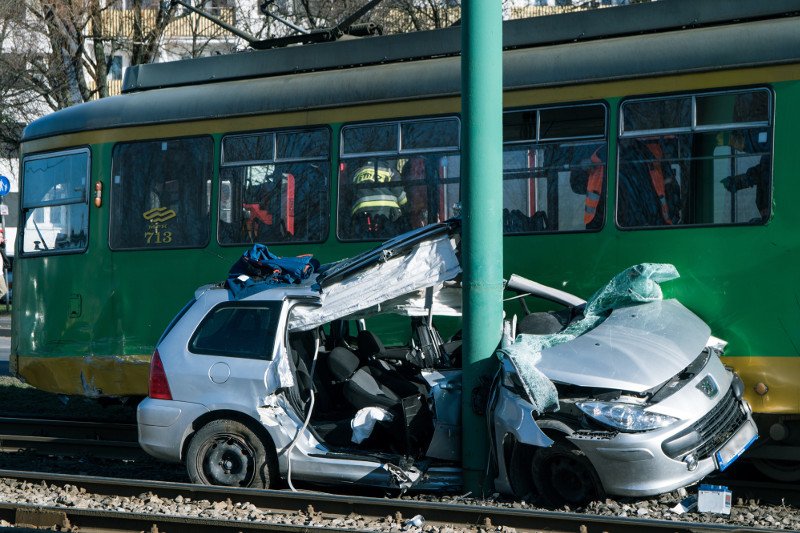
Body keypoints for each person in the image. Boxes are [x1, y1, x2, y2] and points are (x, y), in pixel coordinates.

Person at [617, 138, 681, 227]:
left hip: (660, 223)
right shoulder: (617, 163)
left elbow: (672, 187)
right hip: (639, 226)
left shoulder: (654, 152)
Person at [350, 160, 408, 237]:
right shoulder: (391, 171)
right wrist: (407, 206)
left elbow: (349, 194)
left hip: (360, 213)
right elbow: (400, 197)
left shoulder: (357, 172)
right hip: (387, 212)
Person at [0, 230, 9, 301]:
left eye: (2, 237)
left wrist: (2, 243)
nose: (2, 239)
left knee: (4, 291)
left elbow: (2, 248)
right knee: (3, 291)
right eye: (0, 237)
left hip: (0, 273)